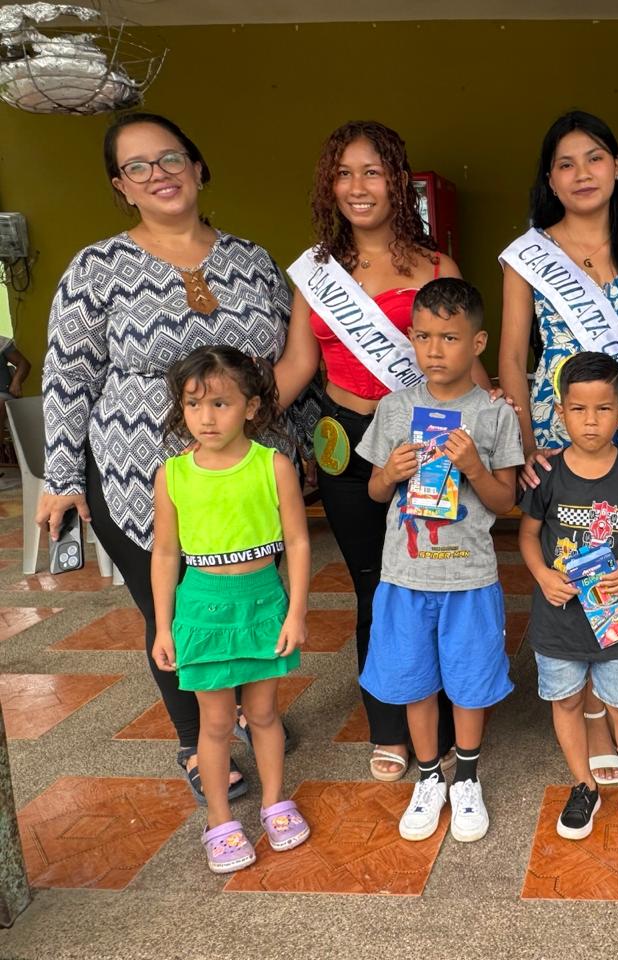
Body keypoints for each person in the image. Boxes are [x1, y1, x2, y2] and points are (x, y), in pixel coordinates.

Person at [39, 113, 297, 802]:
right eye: (138, 166)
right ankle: (196, 737)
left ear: (198, 166)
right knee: (175, 606)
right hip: (139, 474)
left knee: (248, 593)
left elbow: (287, 361)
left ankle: (252, 711)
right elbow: (67, 375)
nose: (159, 174)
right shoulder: (96, 267)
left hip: (248, 474)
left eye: (171, 158)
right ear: (120, 186)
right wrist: (62, 475)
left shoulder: (253, 260)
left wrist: (301, 450)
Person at [274, 120, 469, 782]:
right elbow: (298, 365)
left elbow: (463, 363)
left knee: (433, 578)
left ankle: (445, 721)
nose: (357, 186)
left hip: (424, 442)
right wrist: (233, 419)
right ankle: (388, 721)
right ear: (330, 185)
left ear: (398, 181)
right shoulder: (317, 273)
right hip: (346, 444)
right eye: (344, 173)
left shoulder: (438, 267)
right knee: (374, 586)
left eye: (373, 172)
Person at [498, 110, 618, 787]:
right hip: (560, 429)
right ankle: (593, 711)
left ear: (617, 167)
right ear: (550, 178)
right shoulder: (529, 254)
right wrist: (524, 442)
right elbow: (513, 356)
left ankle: (616, 693)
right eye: (566, 163)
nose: (581, 174)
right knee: (573, 556)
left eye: (594, 158)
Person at [356, 278, 523, 843]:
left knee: (470, 682)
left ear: (477, 343)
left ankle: (466, 777)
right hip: (406, 576)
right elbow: (375, 491)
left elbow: (506, 501)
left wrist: (474, 467)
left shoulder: (493, 415)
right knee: (414, 681)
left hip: (469, 576)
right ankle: (429, 776)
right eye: (423, 336)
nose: (433, 350)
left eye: (449, 338)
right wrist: (390, 472)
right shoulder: (395, 408)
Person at [151, 346, 311, 874]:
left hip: (262, 603)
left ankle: (274, 803)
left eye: (220, 403)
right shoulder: (173, 475)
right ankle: (219, 821)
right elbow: (166, 553)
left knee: (263, 714)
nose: (206, 417)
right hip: (201, 610)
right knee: (215, 722)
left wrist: (296, 612)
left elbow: (298, 541)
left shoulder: (273, 466)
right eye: (193, 404)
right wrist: (164, 627)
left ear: (251, 406)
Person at [518, 352, 618, 844]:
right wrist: (542, 574)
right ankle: (583, 785)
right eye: (579, 409)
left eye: (603, 409)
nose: (590, 421)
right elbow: (527, 534)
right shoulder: (547, 474)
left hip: (615, 620)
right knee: (565, 702)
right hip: (558, 618)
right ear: (560, 412)